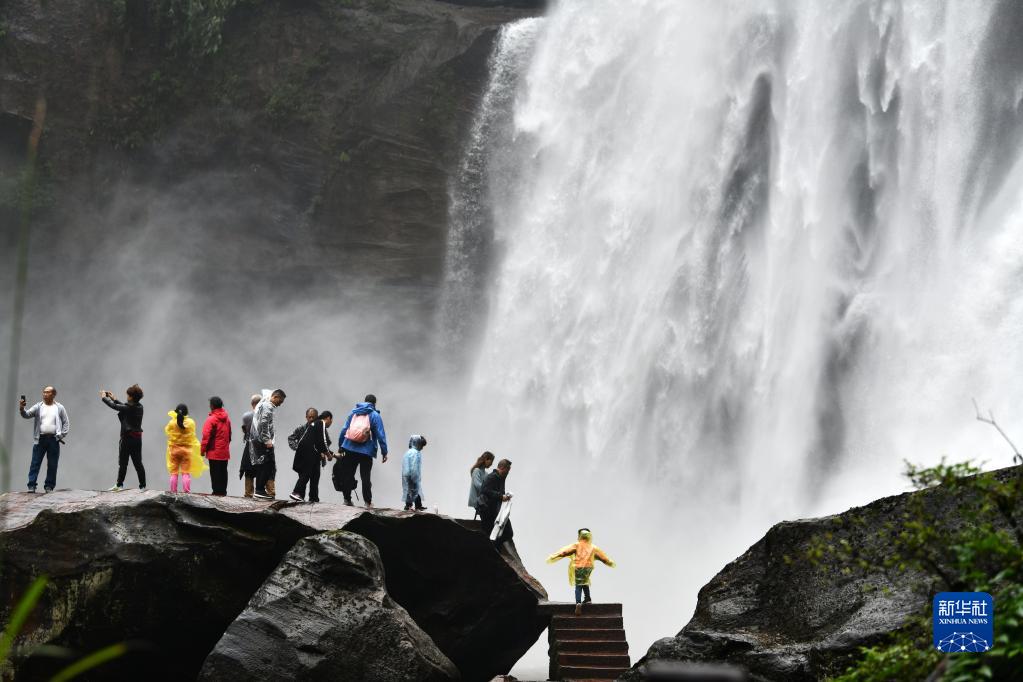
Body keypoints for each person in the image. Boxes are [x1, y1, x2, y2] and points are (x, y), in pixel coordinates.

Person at [547, 528, 616, 615]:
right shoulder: (593, 547)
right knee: (585, 581)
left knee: (578, 585)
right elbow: (603, 558)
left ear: (580, 536)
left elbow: (565, 552)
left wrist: (554, 557)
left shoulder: (577, 545)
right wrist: (610, 563)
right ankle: (587, 599)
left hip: (579, 567)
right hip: (588, 568)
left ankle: (578, 603)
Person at [336, 394, 388, 508]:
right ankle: (367, 502)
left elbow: (344, 429)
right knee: (365, 477)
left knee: (348, 474)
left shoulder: (354, 412)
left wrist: (341, 445)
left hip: (349, 448)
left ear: (364, 401)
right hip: (366, 451)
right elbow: (381, 435)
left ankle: (347, 500)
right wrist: (384, 452)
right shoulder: (375, 415)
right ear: (374, 404)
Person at [19, 386, 70, 493]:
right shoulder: (38, 406)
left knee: (52, 464)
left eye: (47, 392)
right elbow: (26, 415)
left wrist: (61, 435)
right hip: (40, 439)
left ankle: (49, 486)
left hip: (53, 440)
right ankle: (31, 485)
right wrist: (21, 408)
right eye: (44, 392)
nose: (44, 394)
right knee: (35, 463)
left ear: (53, 394)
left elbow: (66, 422)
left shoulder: (59, 407)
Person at [101, 384, 146, 491]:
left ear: (131, 397)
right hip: (137, 439)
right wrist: (115, 399)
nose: (127, 396)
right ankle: (143, 486)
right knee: (138, 463)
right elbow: (125, 407)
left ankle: (119, 485)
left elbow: (116, 407)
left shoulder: (129, 408)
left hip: (127, 439)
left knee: (123, 463)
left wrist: (104, 398)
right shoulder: (139, 407)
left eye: (128, 395)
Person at [250, 389, 286, 500]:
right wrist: (267, 441)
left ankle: (259, 490)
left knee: (263, 464)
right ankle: (260, 490)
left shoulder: (264, 404)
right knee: (267, 465)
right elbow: (263, 424)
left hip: (258, 440)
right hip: (263, 442)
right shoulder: (268, 407)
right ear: (275, 397)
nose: (280, 404)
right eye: (280, 401)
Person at [290, 411, 333, 503]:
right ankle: (296, 492)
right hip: (308, 452)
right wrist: (328, 455)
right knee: (306, 473)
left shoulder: (315, 424)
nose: (331, 423)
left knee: (314, 474)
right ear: (328, 418)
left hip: (309, 452)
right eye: (331, 421)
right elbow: (322, 441)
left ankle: (313, 498)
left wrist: (330, 453)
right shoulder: (321, 423)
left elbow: (319, 443)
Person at [165, 404, 207, 492]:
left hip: (174, 450)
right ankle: (186, 491)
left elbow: (167, 431)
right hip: (187, 451)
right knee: (185, 472)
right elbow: (193, 435)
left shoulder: (172, 422)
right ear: (186, 412)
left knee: (174, 472)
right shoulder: (191, 422)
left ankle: (173, 491)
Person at [201, 396, 232, 496]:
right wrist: (225, 446)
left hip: (214, 451)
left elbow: (206, 436)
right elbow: (229, 435)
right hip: (224, 451)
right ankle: (223, 492)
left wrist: (202, 450)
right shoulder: (227, 419)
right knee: (223, 471)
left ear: (212, 406)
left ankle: (216, 493)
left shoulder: (211, 419)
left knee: (215, 473)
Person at [478, 458, 512, 543]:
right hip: (488, 511)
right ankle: (494, 548)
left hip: (497, 512)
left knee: (508, 532)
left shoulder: (500, 478)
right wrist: (501, 496)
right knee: (503, 533)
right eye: (507, 471)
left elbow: (498, 493)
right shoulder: (492, 476)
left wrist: (505, 496)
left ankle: (495, 547)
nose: (508, 473)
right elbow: (484, 490)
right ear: (503, 468)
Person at [238, 394, 261, 497]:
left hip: (250, 445)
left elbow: (245, 430)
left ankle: (248, 494)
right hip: (262, 446)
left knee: (249, 470)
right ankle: (260, 493)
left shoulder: (246, 416)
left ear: (252, 404)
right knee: (261, 470)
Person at [401, 435, 428, 511]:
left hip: (406, 474)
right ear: (418, 443)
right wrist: (415, 476)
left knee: (410, 490)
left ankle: (411, 505)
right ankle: (412, 506)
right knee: (415, 490)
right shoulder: (415, 453)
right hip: (412, 474)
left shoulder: (408, 452)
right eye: (421, 445)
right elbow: (414, 465)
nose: (422, 448)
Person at [468, 451, 495, 518]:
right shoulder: (476, 471)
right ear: (486, 459)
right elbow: (477, 485)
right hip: (477, 500)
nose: (491, 464)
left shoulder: (486, 474)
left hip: (484, 499)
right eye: (491, 461)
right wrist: (489, 491)